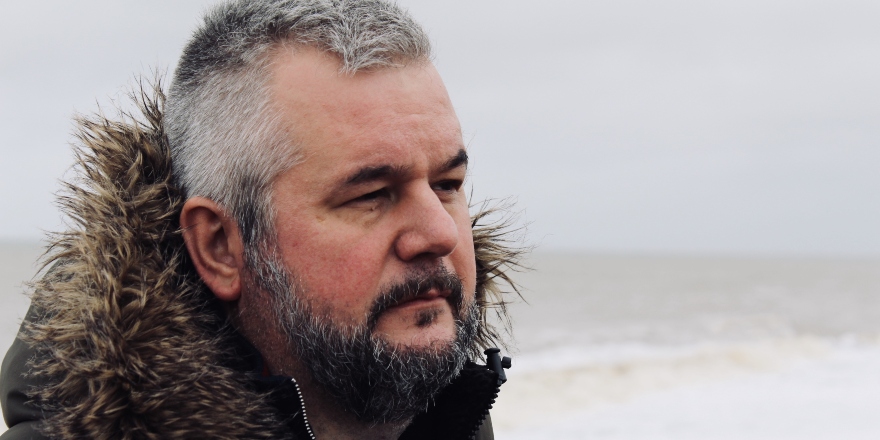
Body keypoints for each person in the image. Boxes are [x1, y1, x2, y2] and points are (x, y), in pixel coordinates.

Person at [0, 0, 522, 439]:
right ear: (220, 246)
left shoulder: (453, 414)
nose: (441, 232)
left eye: (448, 185)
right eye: (371, 195)